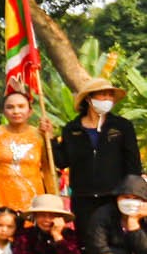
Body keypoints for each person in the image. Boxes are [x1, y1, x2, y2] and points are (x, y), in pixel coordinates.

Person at [55, 77, 141, 235]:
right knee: (86, 240)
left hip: (114, 197)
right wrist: (51, 140)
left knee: (117, 242)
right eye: (103, 95)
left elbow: (133, 164)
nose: (108, 99)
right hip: (83, 198)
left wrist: (132, 194)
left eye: (110, 95)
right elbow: (62, 161)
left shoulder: (122, 126)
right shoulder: (72, 129)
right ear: (89, 98)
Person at [0, 90, 55, 213]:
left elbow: (48, 169)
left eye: (21, 106)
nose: (16, 111)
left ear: (30, 111)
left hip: (32, 197)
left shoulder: (40, 136)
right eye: (10, 107)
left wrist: (53, 198)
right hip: (1, 196)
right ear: (4, 112)